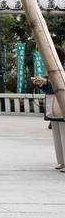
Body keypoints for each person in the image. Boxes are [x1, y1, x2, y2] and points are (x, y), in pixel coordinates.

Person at [33, 44, 65, 172]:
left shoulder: (62, 68)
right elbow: (50, 87)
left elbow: (61, 84)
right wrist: (42, 84)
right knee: (57, 135)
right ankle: (61, 162)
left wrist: (47, 82)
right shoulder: (52, 68)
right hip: (53, 103)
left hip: (61, 103)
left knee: (63, 134)